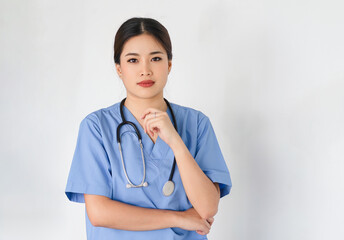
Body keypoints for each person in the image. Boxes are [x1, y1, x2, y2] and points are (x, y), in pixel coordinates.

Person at [65, 17, 232, 240]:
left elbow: (208, 208)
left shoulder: (197, 124)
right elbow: (99, 212)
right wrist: (178, 218)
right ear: (119, 69)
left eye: (155, 58)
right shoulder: (96, 127)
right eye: (133, 60)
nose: (145, 70)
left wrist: (175, 142)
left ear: (169, 65)